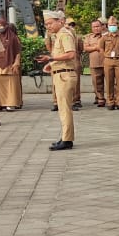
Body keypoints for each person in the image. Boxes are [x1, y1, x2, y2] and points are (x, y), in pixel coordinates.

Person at [37, 10, 78, 150]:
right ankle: (66, 137)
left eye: (50, 23)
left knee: (65, 109)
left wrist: (52, 59)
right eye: (46, 24)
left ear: (60, 21)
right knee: (62, 109)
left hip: (65, 76)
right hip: (60, 74)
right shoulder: (58, 36)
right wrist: (51, 64)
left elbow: (71, 54)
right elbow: (61, 55)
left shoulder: (65, 35)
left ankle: (67, 140)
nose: (48, 26)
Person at [98, 16, 119, 110]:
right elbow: (100, 48)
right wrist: (105, 56)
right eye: (110, 25)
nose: (112, 27)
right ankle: (110, 102)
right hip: (108, 60)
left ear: (117, 25)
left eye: (114, 25)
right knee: (109, 82)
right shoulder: (104, 37)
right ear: (108, 25)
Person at [0, 17, 23, 111]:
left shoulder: (13, 37)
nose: (0, 27)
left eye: (1, 25)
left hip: (10, 64)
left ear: (6, 26)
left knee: (11, 85)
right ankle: (0, 104)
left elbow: (17, 51)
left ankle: (10, 103)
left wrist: (16, 62)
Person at [82, 19, 107, 107]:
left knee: (111, 82)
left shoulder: (107, 36)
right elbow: (86, 48)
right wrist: (97, 47)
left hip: (107, 63)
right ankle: (100, 99)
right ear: (91, 28)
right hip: (95, 63)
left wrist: (93, 47)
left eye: (98, 26)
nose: (96, 28)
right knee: (97, 82)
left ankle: (112, 98)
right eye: (94, 27)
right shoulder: (88, 37)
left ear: (102, 27)